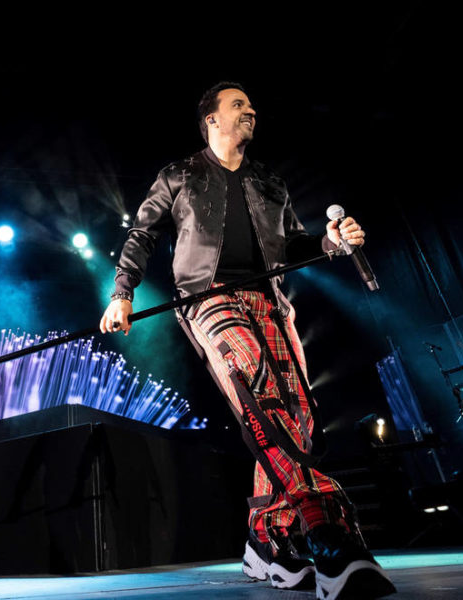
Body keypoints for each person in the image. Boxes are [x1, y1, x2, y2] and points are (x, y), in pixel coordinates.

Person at [99, 82, 395, 600]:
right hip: (209, 297)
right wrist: (122, 292)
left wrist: (331, 242)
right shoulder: (180, 174)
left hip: (270, 301)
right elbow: (142, 234)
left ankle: (266, 539)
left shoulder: (268, 182)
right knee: (259, 393)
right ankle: (325, 529)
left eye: (252, 105)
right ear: (211, 120)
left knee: (297, 416)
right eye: (238, 104)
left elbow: (296, 244)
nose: (251, 110)